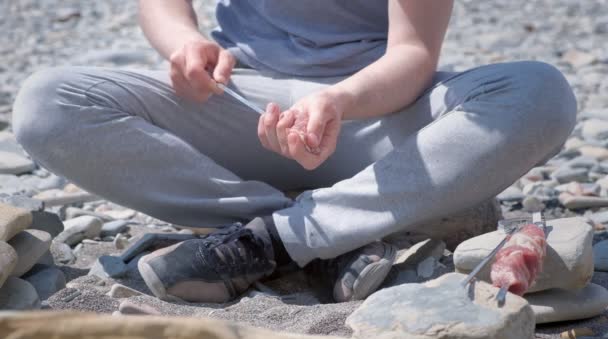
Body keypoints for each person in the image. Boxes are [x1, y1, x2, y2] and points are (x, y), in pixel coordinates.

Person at [12, 0, 576, 303]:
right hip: (240, 105)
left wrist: (339, 99)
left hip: (373, 114)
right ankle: (331, 234)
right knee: (46, 103)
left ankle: (276, 240)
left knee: (539, 93)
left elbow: (413, 54)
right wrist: (184, 43)